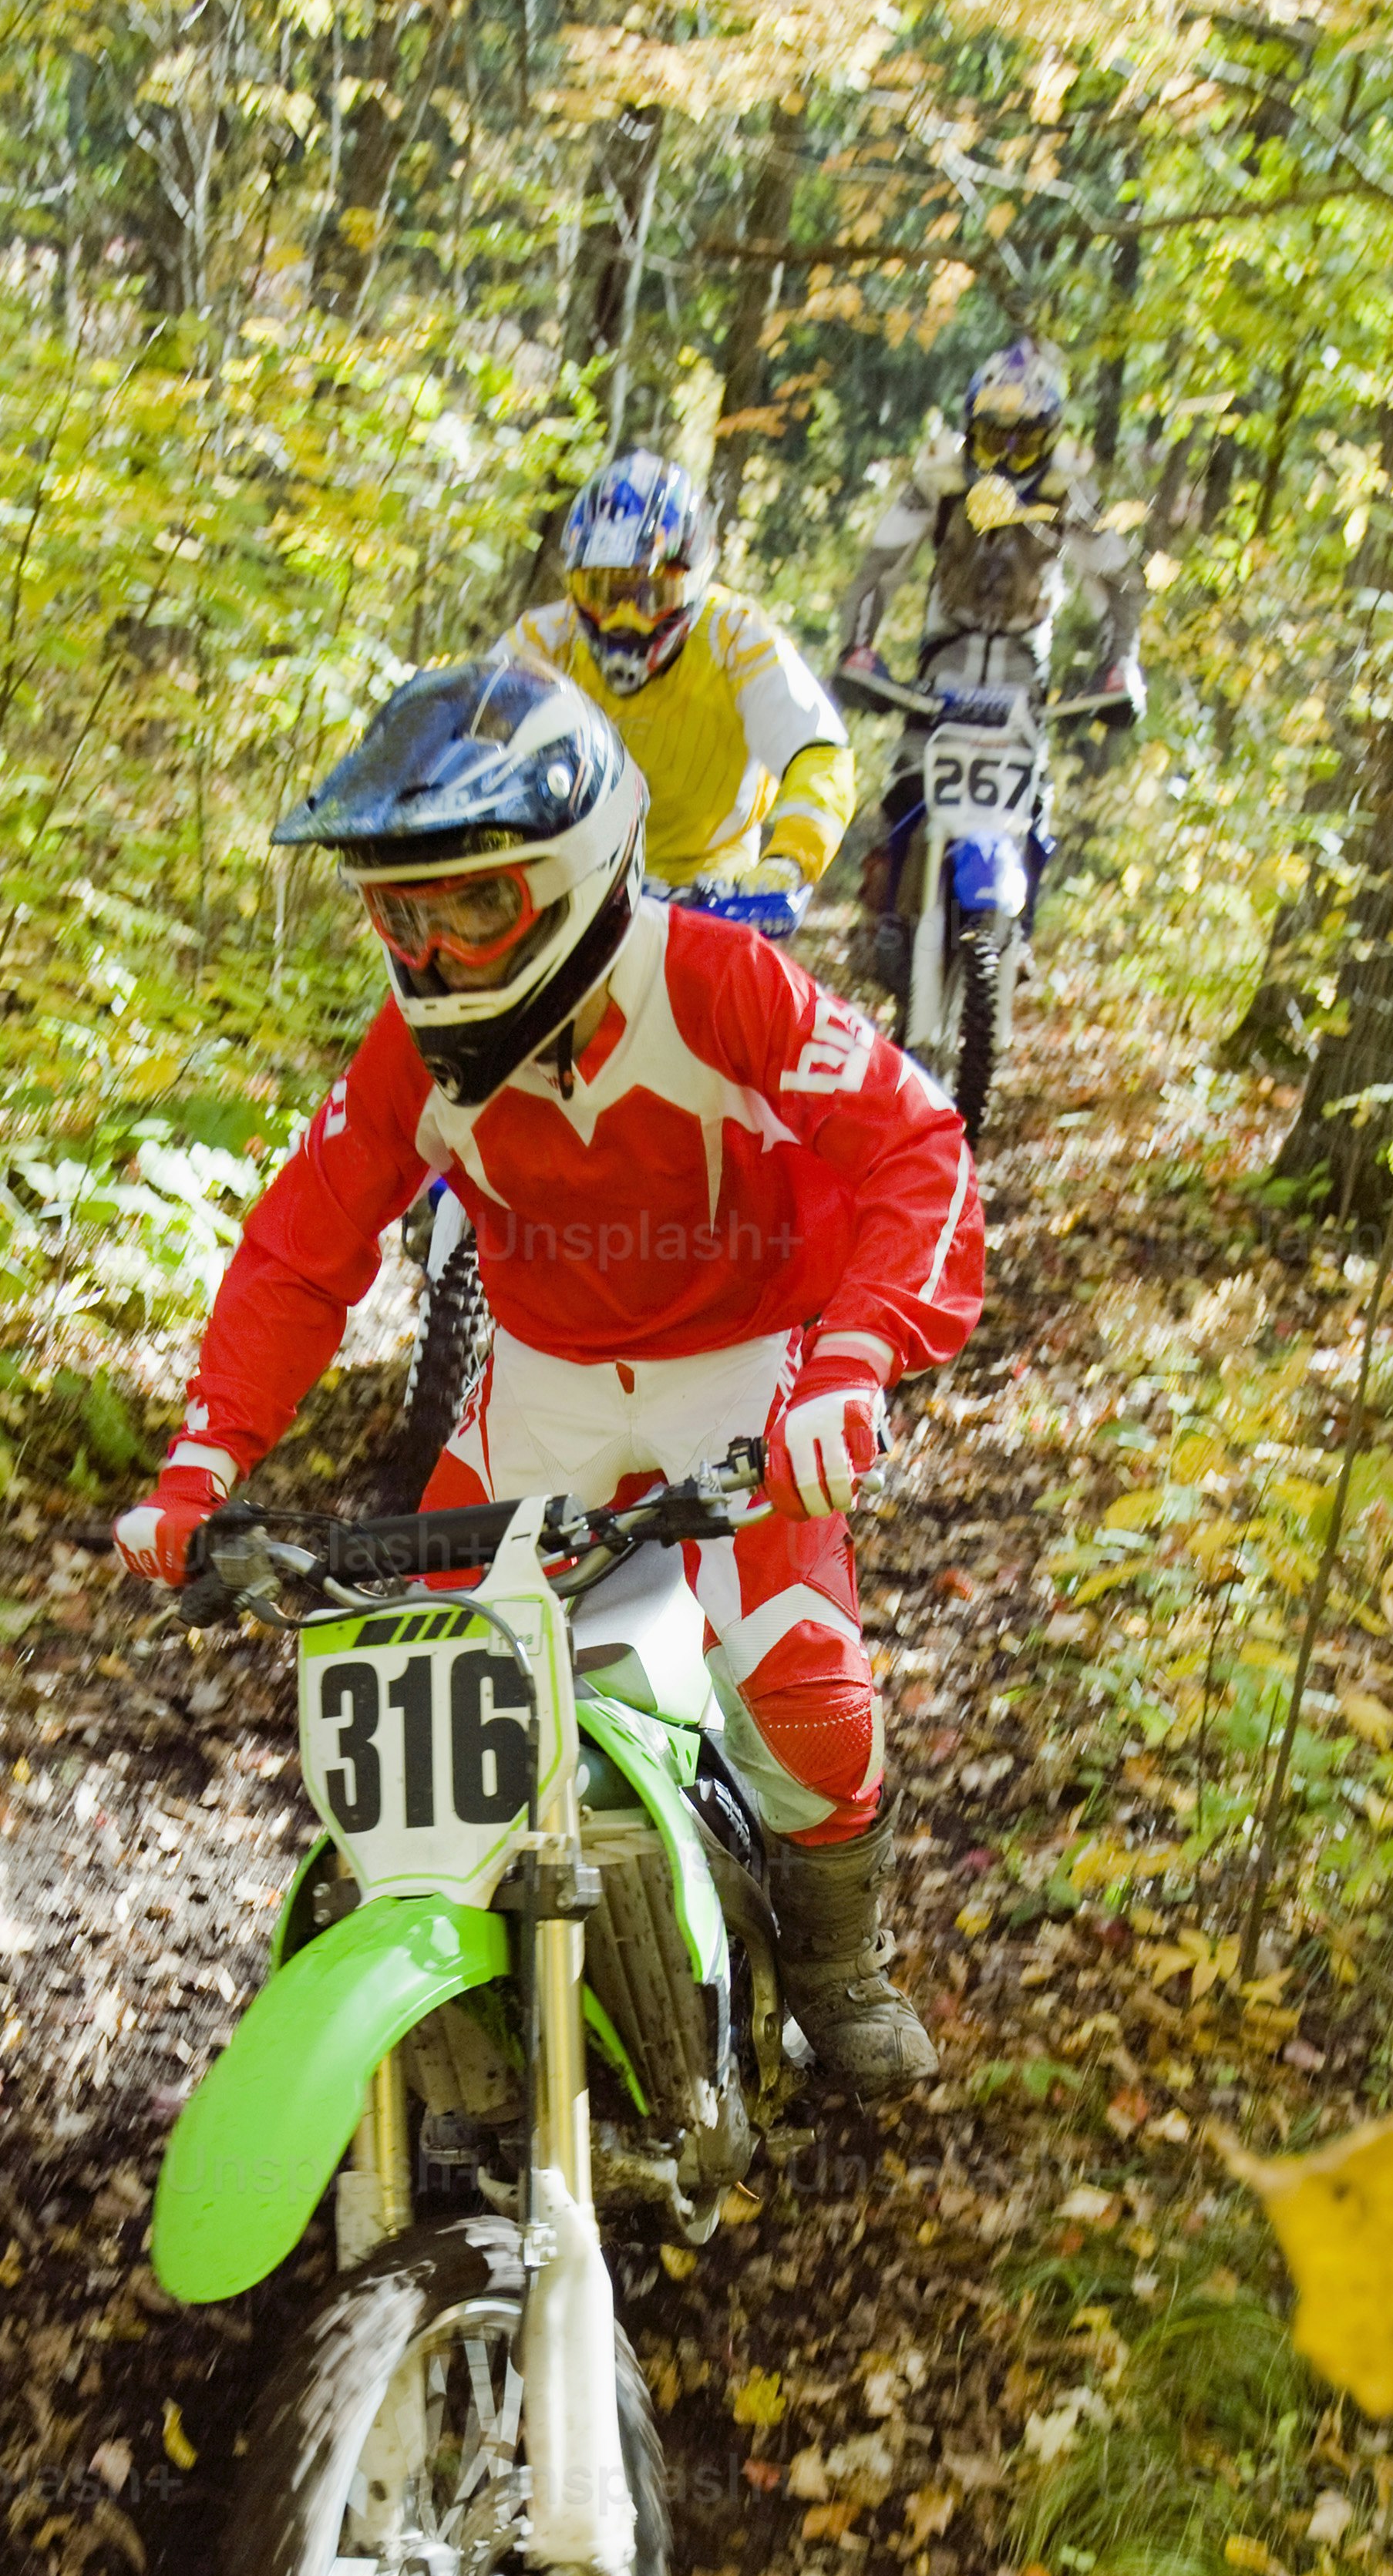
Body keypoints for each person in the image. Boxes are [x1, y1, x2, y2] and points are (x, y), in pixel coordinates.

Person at [113, 655, 983, 2093]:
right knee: (424, 1676)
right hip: (541, 1381)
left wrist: (853, 1359)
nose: (438, 949)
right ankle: (434, 1972)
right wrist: (205, 1458)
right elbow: (299, 1243)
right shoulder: (414, 1053)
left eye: (475, 905)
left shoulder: (711, 983)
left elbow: (914, 1143)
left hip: (744, 1369)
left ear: (573, 874)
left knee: (811, 1690)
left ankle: (839, 1967)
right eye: (404, 913)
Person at [507, 451, 855, 922]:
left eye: (649, 596)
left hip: (713, 890)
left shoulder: (736, 638)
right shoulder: (543, 641)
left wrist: (788, 861)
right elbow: (463, 737)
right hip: (578, 881)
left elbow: (819, 749)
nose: (623, 620)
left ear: (692, 583)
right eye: (602, 592)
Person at [836, 336, 1143, 704]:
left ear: (1049, 441)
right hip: (944, 650)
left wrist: (1119, 666)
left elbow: (1121, 579)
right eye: (993, 441)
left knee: (1026, 757)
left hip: (1023, 664)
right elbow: (881, 565)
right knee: (913, 759)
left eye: (1024, 446)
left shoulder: (1068, 489)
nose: (1005, 463)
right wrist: (856, 648)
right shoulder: (941, 477)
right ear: (970, 432)